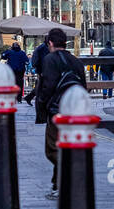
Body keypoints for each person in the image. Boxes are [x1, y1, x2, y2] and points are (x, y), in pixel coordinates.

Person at [35, 28, 87, 197]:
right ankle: (58, 185)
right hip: (76, 111)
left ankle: (69, 178)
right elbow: (83, 87)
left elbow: (47, 87)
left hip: (58, 112)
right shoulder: (76, 61)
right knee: (65, 147)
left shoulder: (49, 60)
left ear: (50, 43)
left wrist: (43, 107)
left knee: (52, 149)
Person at [23, 39, 49, 106]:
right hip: (43, 69)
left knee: (41, 85)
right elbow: (44, 60)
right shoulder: (44, 48)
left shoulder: (41, 47)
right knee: (42, 85)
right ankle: (30, 98)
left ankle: (29, 97)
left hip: (41, 69)